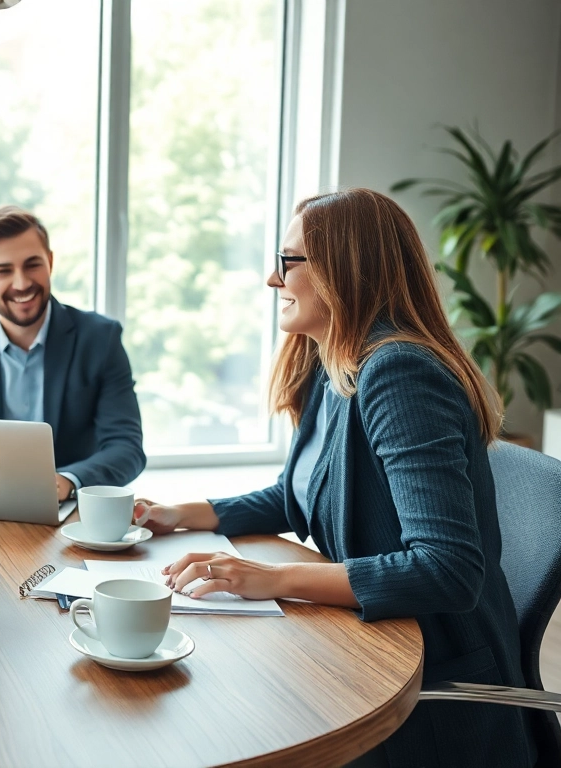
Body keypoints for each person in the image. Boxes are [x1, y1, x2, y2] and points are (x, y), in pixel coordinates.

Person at [135, 188, 532, 767]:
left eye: (288, 261)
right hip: (366, 645)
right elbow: (300, 493)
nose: (274, 280)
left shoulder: (398, 372)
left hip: (430, 687)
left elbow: (448, 570)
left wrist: (272, 578)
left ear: (343, 269)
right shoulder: (336, 362)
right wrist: (180, 514)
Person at [0, 205, 145, 501]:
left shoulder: (100, 339)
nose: (22, 283)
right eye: (3, 271)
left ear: (50, 262)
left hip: (69, 510)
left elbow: (126, 448)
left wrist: (67, 480)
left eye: (32, 264)